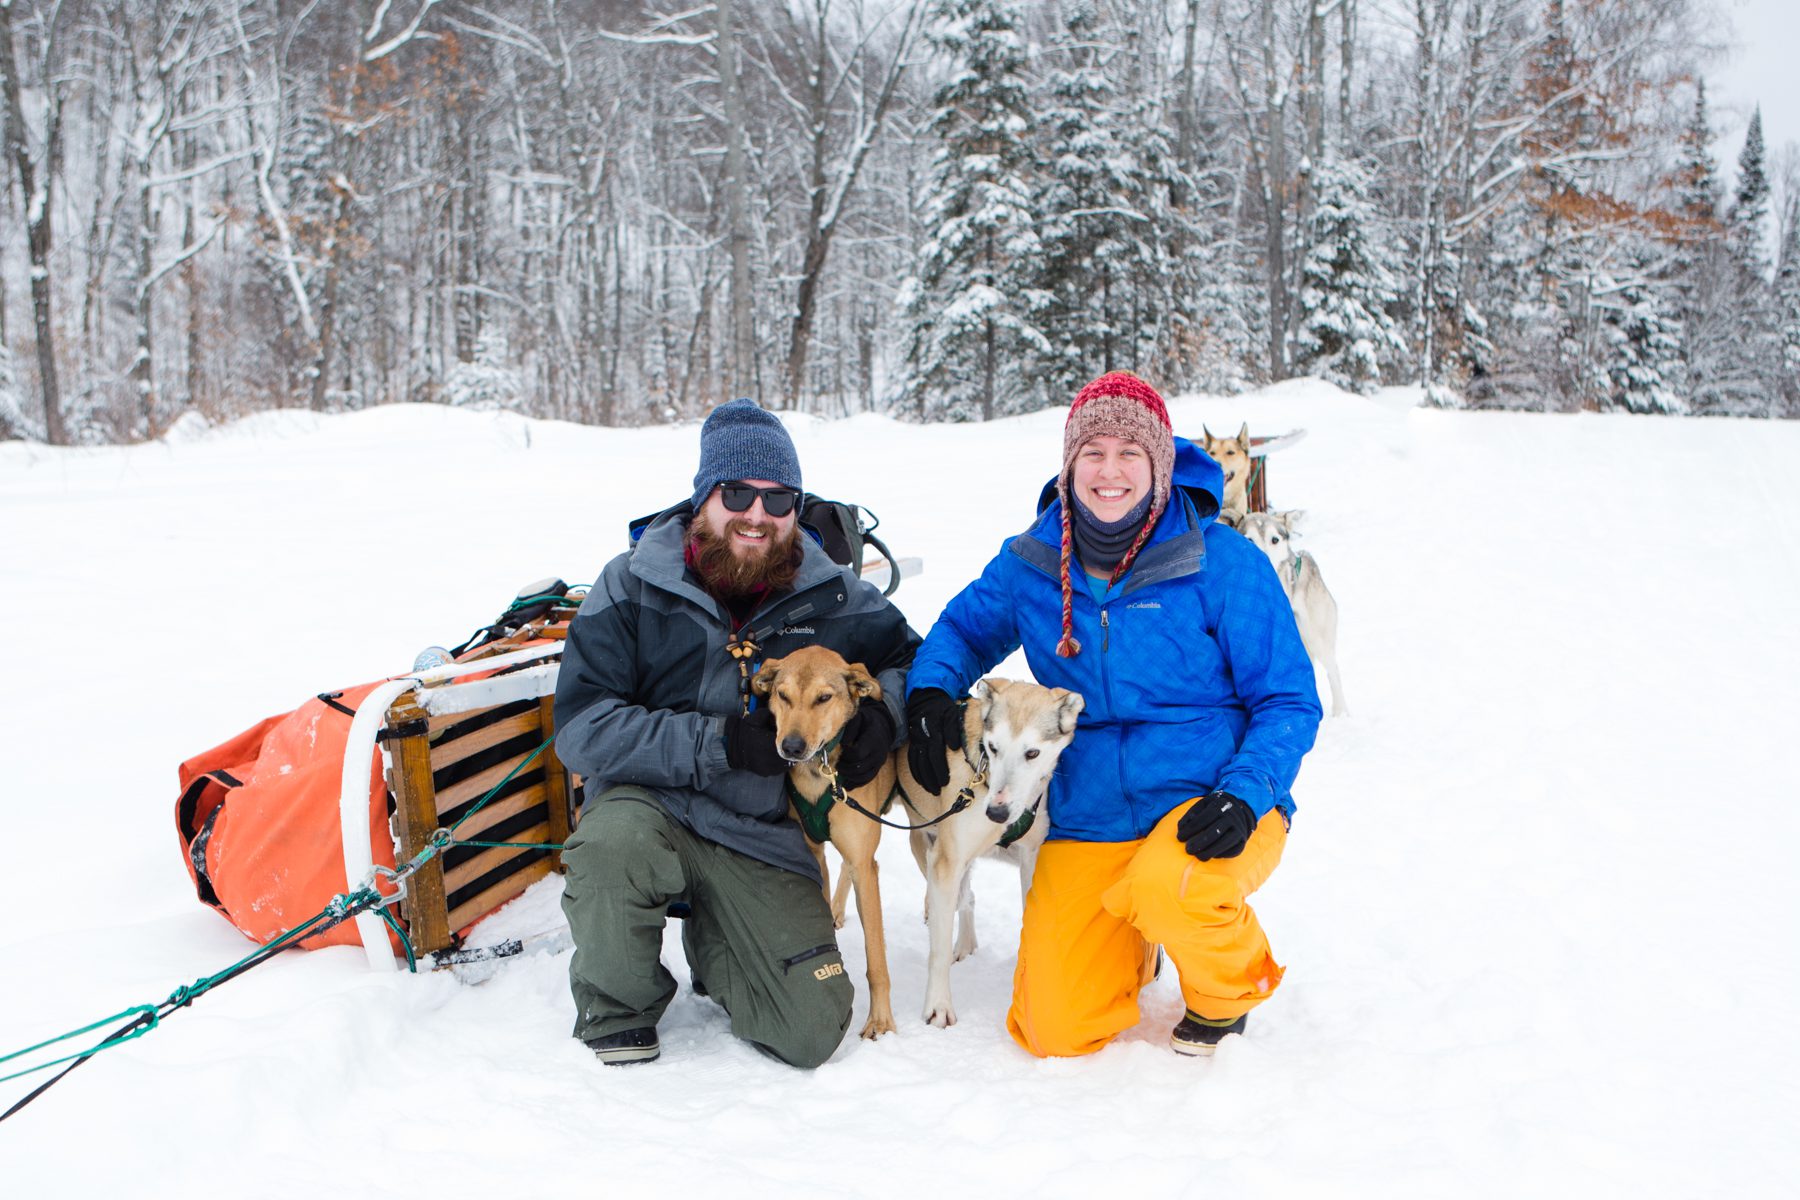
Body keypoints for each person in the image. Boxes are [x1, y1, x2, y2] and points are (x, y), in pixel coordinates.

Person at [902, 371, 1321, 1058]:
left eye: (1131, 453)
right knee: (1052, 1028)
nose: (1110, 471)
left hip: (1210, 802)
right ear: (1069, 465)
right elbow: (961, 631)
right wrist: (927, 697)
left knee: (1172, 890)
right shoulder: (1033, 562)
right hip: (1091, 812)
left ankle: (1225, 995)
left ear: (1159, 464)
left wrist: (1246, 794)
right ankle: (1137, 946)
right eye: (1092, 451)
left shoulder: (1223, 562)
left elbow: (1287, 698)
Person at [553, 398, 919, 1067]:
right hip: (648, 809)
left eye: (779, 500)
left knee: (810, 1031)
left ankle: (721, 947)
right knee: (615, 851)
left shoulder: (831, 591)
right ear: (703, 499)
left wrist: (882, 714)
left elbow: (911, 657)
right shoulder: (630, 584)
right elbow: (581, 730)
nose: (757, 514)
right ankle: (621, 1003)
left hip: (758, 832)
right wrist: (717, 744)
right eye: (738, 493)